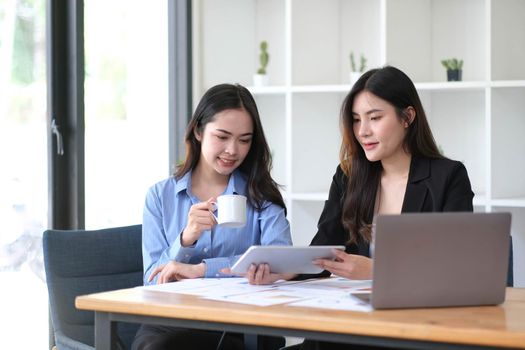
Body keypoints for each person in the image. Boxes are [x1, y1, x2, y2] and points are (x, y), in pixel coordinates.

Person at [239, 66, 474, 350]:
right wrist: (285, 272)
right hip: (345, 328)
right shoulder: (348, 175)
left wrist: (377, 270)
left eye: (375, 118)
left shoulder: (448, 177)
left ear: (407, 117)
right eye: (356, 119)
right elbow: (326, 247)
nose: (363, 131)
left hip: (412, 331)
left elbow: (454, 270)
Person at [132, 83, 292, 350]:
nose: (233, 150)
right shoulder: (160, 196)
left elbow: (281, 259)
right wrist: (185, 239)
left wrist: (202, 270)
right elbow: (152, 280)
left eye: (244, 140)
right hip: (172, 320)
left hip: (242, 320)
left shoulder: (261, 195)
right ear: (198, 131)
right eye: (223, 136)